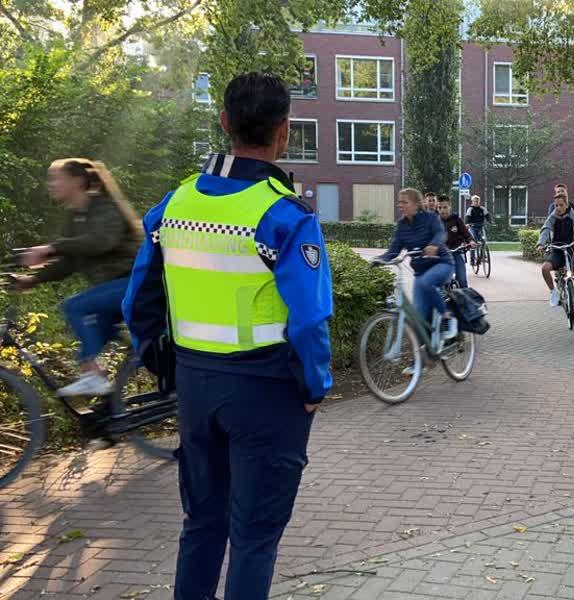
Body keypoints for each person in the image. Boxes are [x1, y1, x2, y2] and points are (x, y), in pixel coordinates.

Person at [123, 72, 333, 599]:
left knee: (201, 522)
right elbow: (309, 319)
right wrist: (314, 387)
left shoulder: (173, 206)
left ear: (224, 122)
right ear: (284, 131)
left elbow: (137, 304)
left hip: (196, 387)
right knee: (254, 537)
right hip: (267, 393)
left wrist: (168, 366)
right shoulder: (283, 215)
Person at [14, 159, 143, 397]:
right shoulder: (76, 216)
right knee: (89, 341)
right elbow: (71, 261)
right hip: (112, 288)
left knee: (74, 306)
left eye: (56, 179)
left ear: (78, 181)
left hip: (133, 284)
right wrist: (32, 280)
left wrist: (51, 248)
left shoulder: (105, 208)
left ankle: (94, 378)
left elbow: (100, 241)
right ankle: (111, 406)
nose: (51, 184)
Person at [377, 188, 458, 338]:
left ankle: (448, 317)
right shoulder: (402, 225)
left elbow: (441, 233)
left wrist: (434, 245)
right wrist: (380, 259)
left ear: (416, 204)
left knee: (426, 283)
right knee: (418, 321)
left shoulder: (430, 218)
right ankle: (423, 352)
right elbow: (394, 250)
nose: (400, 205)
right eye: (399, 202)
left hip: (442, 264)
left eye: (404, 202)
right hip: (420, 272)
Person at [536, 191, 574, 319]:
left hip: (571, 249)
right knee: (545, 268)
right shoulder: (553, 216)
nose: (558, 208)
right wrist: (541, 243)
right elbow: (545, 229)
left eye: (561, 205)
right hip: (557, 250)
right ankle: (553, 292)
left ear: (567, 205)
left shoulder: (572, 215)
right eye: (556, 205)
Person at [438, 195, 476, 289]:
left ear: (450, 207)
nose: (442, 210)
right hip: (441, 255)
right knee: (440, 281)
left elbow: (465, 233)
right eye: (440, 208)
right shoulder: (435, 222)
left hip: (456, 251)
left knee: (462, 279)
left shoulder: (456, 220)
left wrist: (471, 241)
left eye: (445, 207)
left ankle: (465, 295)